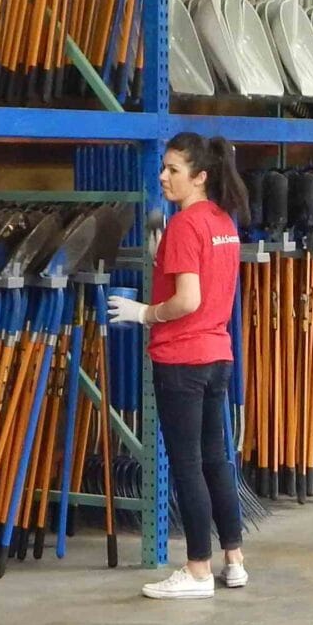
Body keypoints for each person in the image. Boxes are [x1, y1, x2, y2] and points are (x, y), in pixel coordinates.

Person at [109, 133, 249, 601]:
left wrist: (144, 313)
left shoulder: (185, 226)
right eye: (163, 169)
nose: (163, 177)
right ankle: (234, 560)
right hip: (217, 356)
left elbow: (188, 299)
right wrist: (163, 258)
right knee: (216, 460)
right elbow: (206, 278)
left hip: (182, 359)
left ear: (200, 176)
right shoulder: (222, 220)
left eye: (173, 170)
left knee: (187, 466)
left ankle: (195, 570)